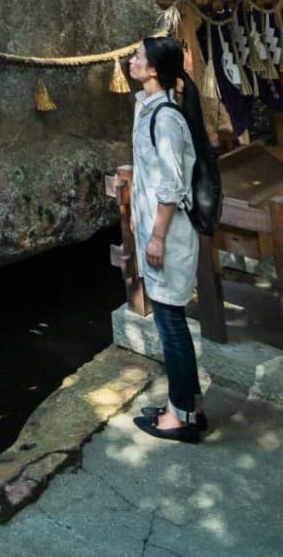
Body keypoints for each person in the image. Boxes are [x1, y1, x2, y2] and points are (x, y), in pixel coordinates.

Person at [128, 35, 205, 444]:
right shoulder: (150, 108)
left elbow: (172, 185)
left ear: (155, 68)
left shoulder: (167, 119)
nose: (132, 59)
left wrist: (155, 237)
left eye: (139, 55)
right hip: (158, 234)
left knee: (171, 324)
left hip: (169, 238)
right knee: (168, 322)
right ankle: (185, 405)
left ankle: (182, 418)